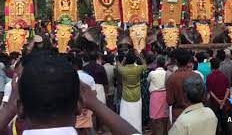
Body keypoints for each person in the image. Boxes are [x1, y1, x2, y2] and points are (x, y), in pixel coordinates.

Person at [0, 51, 138, 135]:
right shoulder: (87, 101)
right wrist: (96, 104)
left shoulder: (14, 107)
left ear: (19, 107)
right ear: (79, 105)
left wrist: (8, 108)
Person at [166, 49, 200, 122]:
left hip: (179, 115)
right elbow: (203, 98)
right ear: (188, 61)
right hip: (195, 114)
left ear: (176, 62)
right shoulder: (197, 76)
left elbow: (169, 101)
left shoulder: (171, 78)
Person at [117, 50, 146, 133]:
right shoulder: (139, 68)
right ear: (135, 60)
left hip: (126, 96)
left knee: (126, 116)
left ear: (127, 60)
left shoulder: (123, 70)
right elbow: (145, 65)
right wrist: (140, 57)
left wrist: (124, 59)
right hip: (137, 95)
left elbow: (118, 66)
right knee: (137, 117)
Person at [83, 51, 108, 134]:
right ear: (97, 57)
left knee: (91, 111)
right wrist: (106, 92)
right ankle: (100, 128)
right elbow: (105, 82)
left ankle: (92, 129)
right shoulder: (100, 67)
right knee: (100, 110)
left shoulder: (85, 68)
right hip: (100, 88)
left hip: (89, 88)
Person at [70, 55, 96, 135]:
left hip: (74, 108)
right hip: (87, 108)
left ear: (73, 65)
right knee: (88, 129)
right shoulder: (89, 77)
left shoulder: (69, 78)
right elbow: (94, 94)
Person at [206, 58, 230, 135]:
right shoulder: (224, 76)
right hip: (223, 101)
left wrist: (218, 100)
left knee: (215, 120)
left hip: (214, 102)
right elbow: (227, 89)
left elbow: (210, 91)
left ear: (211, 66)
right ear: (219, 66)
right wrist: (223, 100)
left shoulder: (209, 77)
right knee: (224, 119)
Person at [147, 56, 168, 135]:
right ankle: (165, 131)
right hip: (165, 93)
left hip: (155, 95)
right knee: (165, 114)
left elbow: (147, 80)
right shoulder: (166, 73)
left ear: (156, 64)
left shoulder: (152, 73)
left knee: (153, 115)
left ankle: (154, 132)